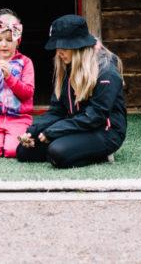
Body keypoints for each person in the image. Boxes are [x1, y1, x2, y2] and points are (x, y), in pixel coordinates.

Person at [16, 14, 126, 168]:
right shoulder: (66, 67)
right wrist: (33, 131)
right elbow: (57, 110)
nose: (59, 52)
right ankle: (72, 148)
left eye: (64, 46)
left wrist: (54, 131)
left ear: (79, 45)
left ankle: (100, 154)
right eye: (57, 46)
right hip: (78, 127)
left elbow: (95, 116)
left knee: (57, 153)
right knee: (24, 152)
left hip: (105, 131)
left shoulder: (106, 72)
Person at [0, 9, 35, 158]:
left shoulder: (26, 63)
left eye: (9, 40)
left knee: (13, 151)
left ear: (18, 40)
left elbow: (27, 93)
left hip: (19, 118)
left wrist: (9, 77)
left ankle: (10, 140)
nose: (4, 44)